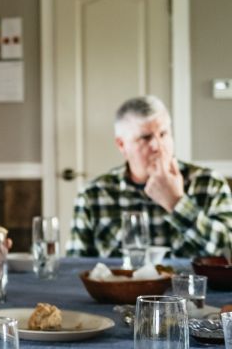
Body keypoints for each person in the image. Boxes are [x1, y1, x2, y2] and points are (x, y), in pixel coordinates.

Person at [67, 95, 232, 258]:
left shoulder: (209, 183)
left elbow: (227, 251)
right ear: (122, 145)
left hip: (188, 285)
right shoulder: (93, 194)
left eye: (163, 134)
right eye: (145, 138)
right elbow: (74, 268)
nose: (158, 146)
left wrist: (177, 203)